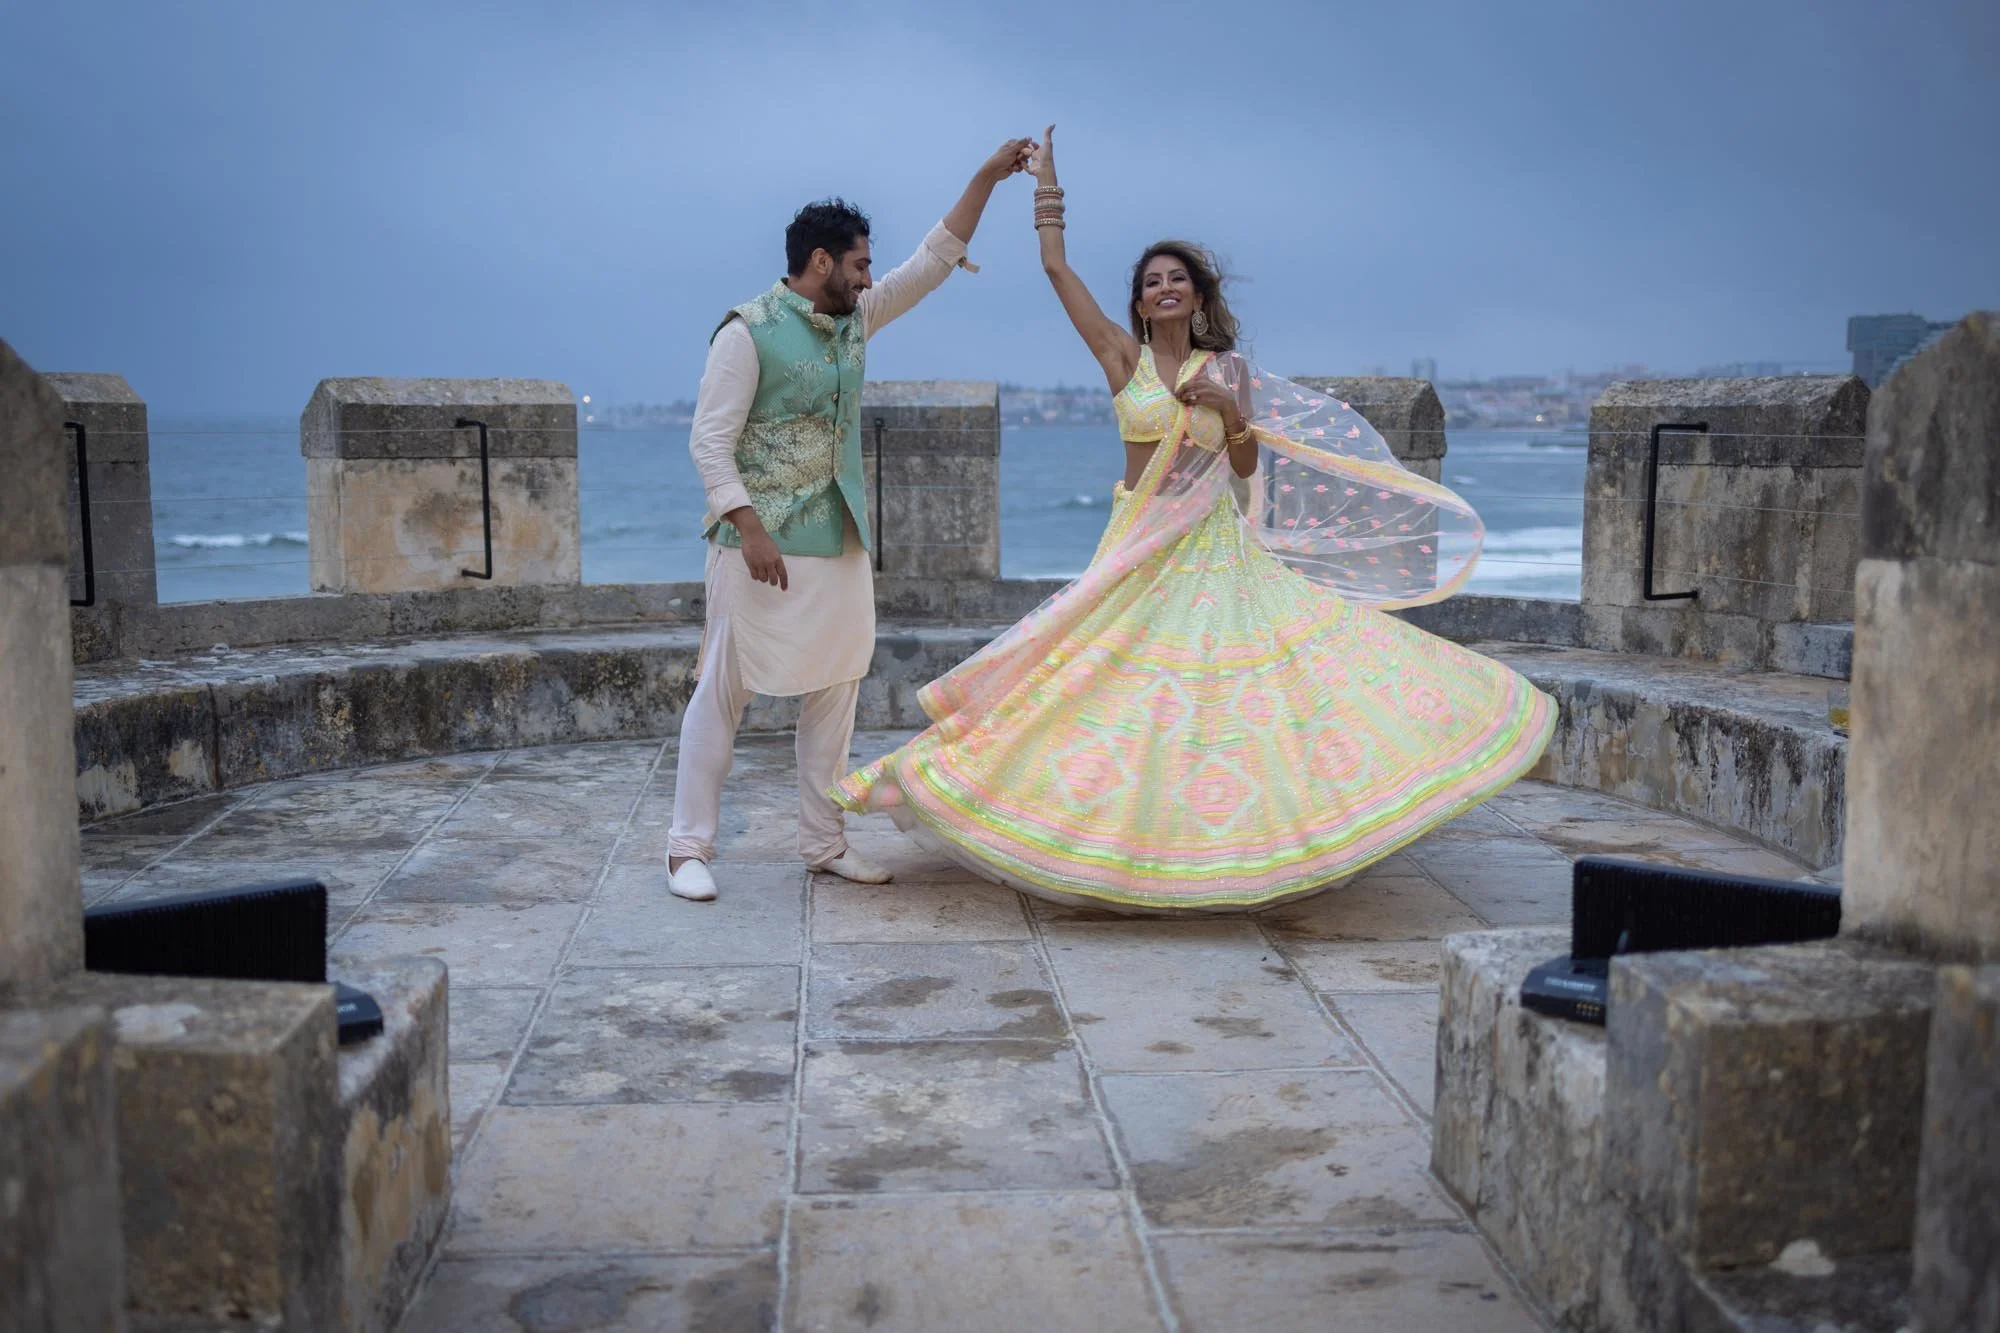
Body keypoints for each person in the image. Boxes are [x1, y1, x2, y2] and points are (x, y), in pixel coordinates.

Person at [833, 126, 1557, 914]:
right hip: (1139, 550)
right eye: (1152, 282)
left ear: (1200, 296)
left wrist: (1229, 412)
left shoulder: (1228, 371)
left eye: (1178, 278)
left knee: (1227, 700)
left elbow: (1245, 469)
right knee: (1105, 694)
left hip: (1215, 552)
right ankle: (1093, 838)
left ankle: (1230, 847)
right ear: (1139, 303)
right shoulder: (1123, 358)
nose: (1165, 288)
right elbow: (1055, 268)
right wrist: (1045, 187)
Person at [666, 138, 1035, 902]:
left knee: (836, 692)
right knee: (723, 691)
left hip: (837, 540)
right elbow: (709, 440)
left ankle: (824, 842)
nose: (871, 276)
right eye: (861, 264)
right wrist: (750, 527)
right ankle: (686, 848)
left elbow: (932, 262)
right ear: (822, 261)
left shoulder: (856, 319)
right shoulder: (746, 331)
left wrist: (986, 178)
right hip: (757, 544)